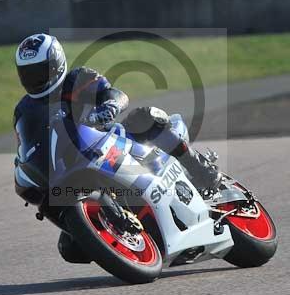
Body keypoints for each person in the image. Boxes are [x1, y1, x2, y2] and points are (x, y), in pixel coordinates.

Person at [13, 33, 221, 263]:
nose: (35, 78)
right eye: (28, 73)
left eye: (41, 70)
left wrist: (110, 106)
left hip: (112, 141)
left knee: (145, 118)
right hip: (72, 166)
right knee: (70, 249)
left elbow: (114, 93)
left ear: (56, 63)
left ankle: (200, 168)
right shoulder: (24, 109)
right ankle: (120, 231)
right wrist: (23, 164)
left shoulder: (77, 78)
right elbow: (26, 141)